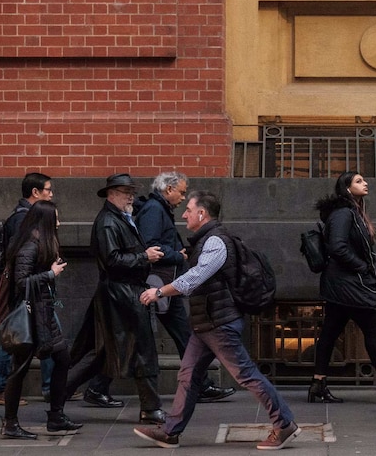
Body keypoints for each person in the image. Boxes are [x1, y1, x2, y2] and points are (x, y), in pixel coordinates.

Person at [134, 191, 301, 450]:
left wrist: (160, 291)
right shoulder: (205, 240)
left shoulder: (216, 242)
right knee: (188, 376)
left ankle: (284, 424)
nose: (185, 214)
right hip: (205, 323)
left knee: (246, 375)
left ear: (202, 214)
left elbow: (197, 277)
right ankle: (170, 431)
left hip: (219, 323)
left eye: (189, 209)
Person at [308, 171, 376, 404]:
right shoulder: (343, 214)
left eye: (364, 179)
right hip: (348, 283)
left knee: (330, 332)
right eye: (358, 181)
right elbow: (337, 247)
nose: (365, 183)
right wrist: (362, 267)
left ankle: (318, 383)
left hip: (343, 283)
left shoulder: (351, 212)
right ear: (346, 188)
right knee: (373, 329)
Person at [135, 171, 235, 403]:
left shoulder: (159, 209)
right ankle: (201, 385)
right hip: (159, 282)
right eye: (180, 192)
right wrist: (177, 255)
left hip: (163, 282)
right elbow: (150, 247)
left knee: (183, 336)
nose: (182, 199)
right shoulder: (154, 209)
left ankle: (200, 385)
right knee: (182, 335)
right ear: (168, 190)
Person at [80, 173, 165, 424]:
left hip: (126, 292)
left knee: (110, 352)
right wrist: (144, 257)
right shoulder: (109, 222)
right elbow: (112, 261)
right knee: (141, 350)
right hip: (122, 293)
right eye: (125, 191)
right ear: (111, 194)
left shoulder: (120, 218)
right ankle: (150, 409)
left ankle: (66, 396)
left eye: (131, 191)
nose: (131, 196)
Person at [0, 201, 83, 439]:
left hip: (43, 313)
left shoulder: (39, 244)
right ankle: (11, 422)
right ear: (44, 222)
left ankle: (56, 416)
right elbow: (21, 282)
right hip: (29, 316)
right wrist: (50, 274)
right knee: (20, 369)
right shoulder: (29, 246)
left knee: (62, 358)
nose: (59, 223)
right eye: (55, 219)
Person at [0, 172, 56, 406]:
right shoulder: (22, 220)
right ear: (35, 192)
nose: (51, 194)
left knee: (29, 336)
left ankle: (50, 385)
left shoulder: (26, 217)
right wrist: (47, 273)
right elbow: (21, 260)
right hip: (27, 291)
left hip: (34, 289)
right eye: (48, 190)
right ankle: (3, 388)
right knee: (17, 336)